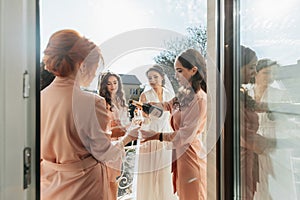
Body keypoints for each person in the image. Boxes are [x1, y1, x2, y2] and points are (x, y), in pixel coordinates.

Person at [40, 29, 139, 200]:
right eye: (94, 66)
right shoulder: (93, 102)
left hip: (48, 187)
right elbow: (107, 154)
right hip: (84, 187)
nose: (94, 74)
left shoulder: (40, 98)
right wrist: (129, 137)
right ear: (82, 63)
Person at [140, 49, 207, 200]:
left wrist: (155, 136)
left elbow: (184, 135)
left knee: (193, 195)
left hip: (191, 156)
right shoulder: (184, 93)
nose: (175, 75)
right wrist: (150, 105)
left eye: (179, 71)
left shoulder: (200, 99)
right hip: (180, 156)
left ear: (193, 70)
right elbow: (168, 105)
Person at [239, 46, 276, 200]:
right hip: (240, 161)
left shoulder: (241, 93)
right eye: (252, 67)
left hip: (249, 158)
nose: (254, 73)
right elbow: (243, 135)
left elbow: (256, 106)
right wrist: (283, 144)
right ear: (238, 67)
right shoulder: (230, 96)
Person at [135, 65, 177, 200]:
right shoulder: (144, 95)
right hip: (150, 135)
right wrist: (143, 113)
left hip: (165, 134)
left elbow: (173, 115)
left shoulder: (170, 95)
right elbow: (144, 119)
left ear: (162, 77)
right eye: (149, 78)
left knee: (164, 171)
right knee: (149, 171)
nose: (152, 80)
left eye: (155, 77)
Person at [98, 71, 130, 199]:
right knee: (106, 181)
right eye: (109, 83)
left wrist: (131, 127)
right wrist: (118, 130)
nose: (112, 86)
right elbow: (100, 129)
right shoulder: (100, 103)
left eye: (115, 83)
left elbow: (125, 125)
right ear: (104, 85)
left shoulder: (121, 103)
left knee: (115, 180)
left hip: (119, 145)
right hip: (107, 146)